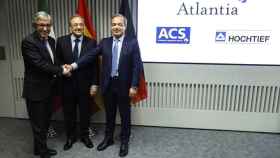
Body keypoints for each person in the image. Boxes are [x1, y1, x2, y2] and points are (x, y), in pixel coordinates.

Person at [66, 13, 143, 157]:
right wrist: (74, 65)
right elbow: (90, 55)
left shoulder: (132, 42)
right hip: (108, 85)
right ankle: (108, 139)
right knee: (110, 114)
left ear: (125, 27)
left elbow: (136, 66)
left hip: (125, 86)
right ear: (111, 26)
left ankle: (124, 141)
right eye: (114, 24)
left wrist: (134, 86)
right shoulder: (104, 42)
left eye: (120, 24)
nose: (116, 27)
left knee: (125, 115)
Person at [21, 11, 70, 158]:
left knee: (45, 121)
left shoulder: (51, 41)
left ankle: (38, 149)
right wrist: (62, 70)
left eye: (48, 25)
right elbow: (40, 65)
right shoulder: (28, 41)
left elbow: (53, 61)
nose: (45, 28)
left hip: (49, 89)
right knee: (38, 125)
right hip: (35, 90)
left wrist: (63, 65)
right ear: (35, 25)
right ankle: (42, 152)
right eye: (41, 25)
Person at [56, 15, 98, 151]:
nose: (78, 27)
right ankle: (70, 137)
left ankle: (85, 136)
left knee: (85, 112)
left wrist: (94, 84)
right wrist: (63, 69)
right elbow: (57, 61)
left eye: (81, 24)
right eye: (75, 25)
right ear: (70, 27)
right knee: (69, 113)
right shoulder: (61, 41)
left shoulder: (91, 42)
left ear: (83, 26)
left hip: (85, 85)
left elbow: (95, 65)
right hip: (67, 84)